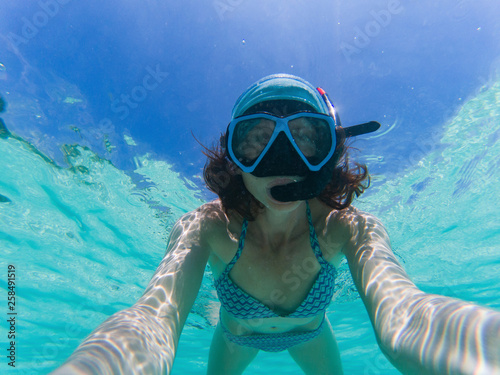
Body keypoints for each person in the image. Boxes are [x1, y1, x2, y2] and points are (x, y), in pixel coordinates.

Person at [53, 74, 499, 375]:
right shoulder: (206, 227)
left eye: (306, 138)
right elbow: (151, 319)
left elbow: (407, 314)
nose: (281, 163)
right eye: (257, 140)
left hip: (311, 336)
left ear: (329, 151)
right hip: (234, 339)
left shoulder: (349, 227)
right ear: (234, 156)